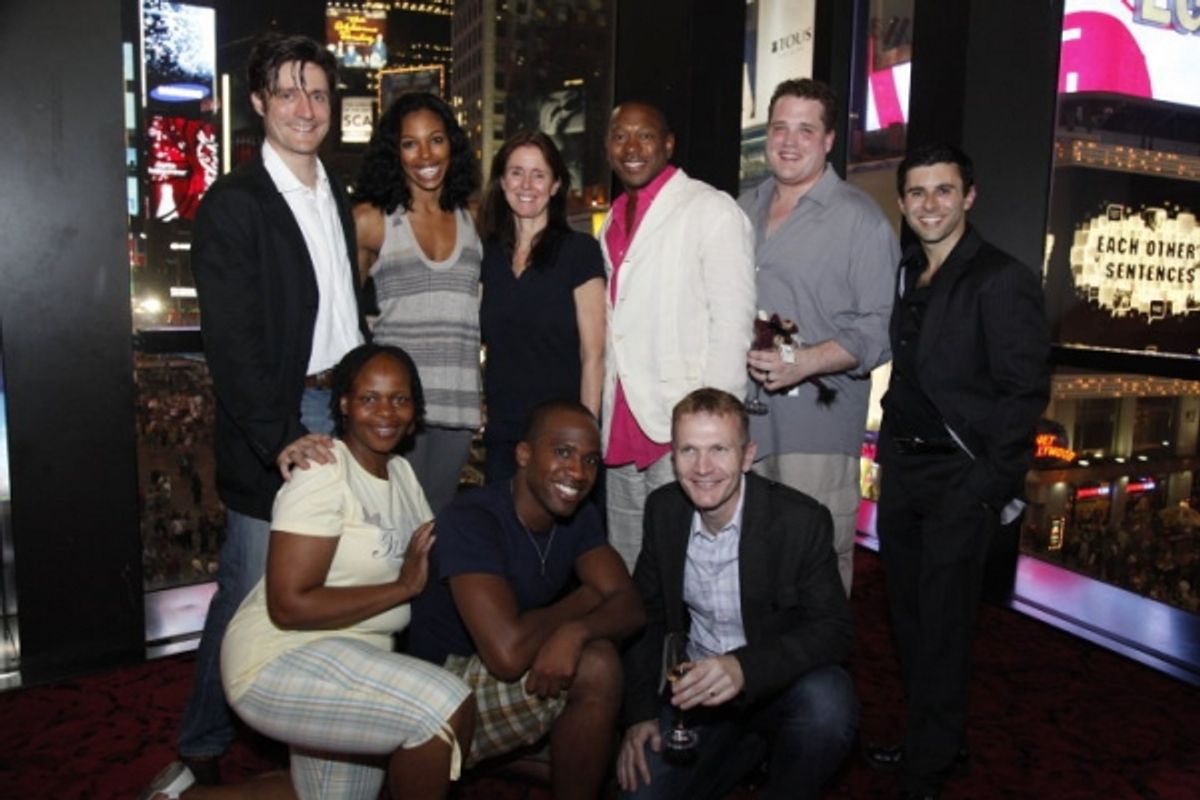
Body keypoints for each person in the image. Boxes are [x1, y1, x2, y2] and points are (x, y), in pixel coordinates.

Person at [142, 344, 475, 800]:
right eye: (369, 398)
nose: (386, 412)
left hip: (353, 661)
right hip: (279, 659)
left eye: (400, 399)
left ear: (416, 410)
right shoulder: (324, 470)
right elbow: (290, 604)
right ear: (343, 404)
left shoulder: (401, 475)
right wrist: (402, 587)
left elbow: (432, 561)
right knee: (441, 707)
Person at [173, 32, 368, 784]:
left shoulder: (335, 191)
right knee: (253, 588)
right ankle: (201, 742)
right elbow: (233, 343)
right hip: (284, 420)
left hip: (342, 411)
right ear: (257, 105)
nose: (304, 107)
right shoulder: (235, 204)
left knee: (331, 583)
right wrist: (281, 436)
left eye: (316, 92)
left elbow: (342, 310)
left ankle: (313, 734)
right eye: (286, 92)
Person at [865, 144, 1050, 799]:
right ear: (904, 202)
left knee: (943, 625)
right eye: (917, 193)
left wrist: (987, 486)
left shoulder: (1001, 278)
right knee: (909, 618)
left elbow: (1024, 391)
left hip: (959, 479)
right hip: (905, 469)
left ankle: (928, 766)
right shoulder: (908, 270)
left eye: (944, 191)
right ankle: (936, 738)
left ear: (969, 196)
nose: (929, 204)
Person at [617, 388, 858, 800]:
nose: (703, 467)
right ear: (673, 458)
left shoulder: (800, 521)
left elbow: (834, 629)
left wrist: (743, 668)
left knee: (829, 707)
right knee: (638, 795)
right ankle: (743, 753)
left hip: (778, 685)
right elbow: (647, 615)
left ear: (747, 456)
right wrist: (639, 716)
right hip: (695, 693)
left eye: (719, 450)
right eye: (688, 450)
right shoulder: (664, 511)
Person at [407, 400, 645, 800]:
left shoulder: (577, 515)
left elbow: (630, 604)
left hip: (495, 666)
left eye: (590, 460)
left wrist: (575, 630)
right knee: (597, 664)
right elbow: (508, 654)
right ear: (524, 454)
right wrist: (581, 602)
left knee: (594, 647)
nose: (578, 473)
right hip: (435, 691)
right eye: (563, 452)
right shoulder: (472, 519)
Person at [742, 78, 898, 595]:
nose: (789, 141)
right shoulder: (742, 210)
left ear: (829, 139)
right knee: (749, 572)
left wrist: (804, 362)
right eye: (780, 127)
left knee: (812, 579)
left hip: (816, 432)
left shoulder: (860, 221)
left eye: (805, 130)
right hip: (743, 429)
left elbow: (878, 331)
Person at [602, 101, 756, 571]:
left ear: (668, 144)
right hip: (623, 423)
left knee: (687, 570)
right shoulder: (611, 218)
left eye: (645, 136)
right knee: (629, 570)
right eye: (620, 136)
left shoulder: (710, 209)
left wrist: (712, 435)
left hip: (681, 427)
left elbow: (733, 323)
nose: (631, 147)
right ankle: (641, 649)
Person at [354, 92, 482, 514]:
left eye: (436, 140)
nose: (425, 154)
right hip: (393, 406)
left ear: (452, 145)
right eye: (410, 143)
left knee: (435, 529)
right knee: (388, 526)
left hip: (457, 403)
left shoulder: (474, 218)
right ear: (395, 152)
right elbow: (342, 311)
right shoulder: (372, 220)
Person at [477, 129, 605, 483]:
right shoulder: (486, 256)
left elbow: (593, 354)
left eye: (539, 174)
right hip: (504, 433)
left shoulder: (579, 252)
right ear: (502, 182)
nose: (527, 184)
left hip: (563, 434)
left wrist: (586, 434)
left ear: (555, 185)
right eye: (517, 172)